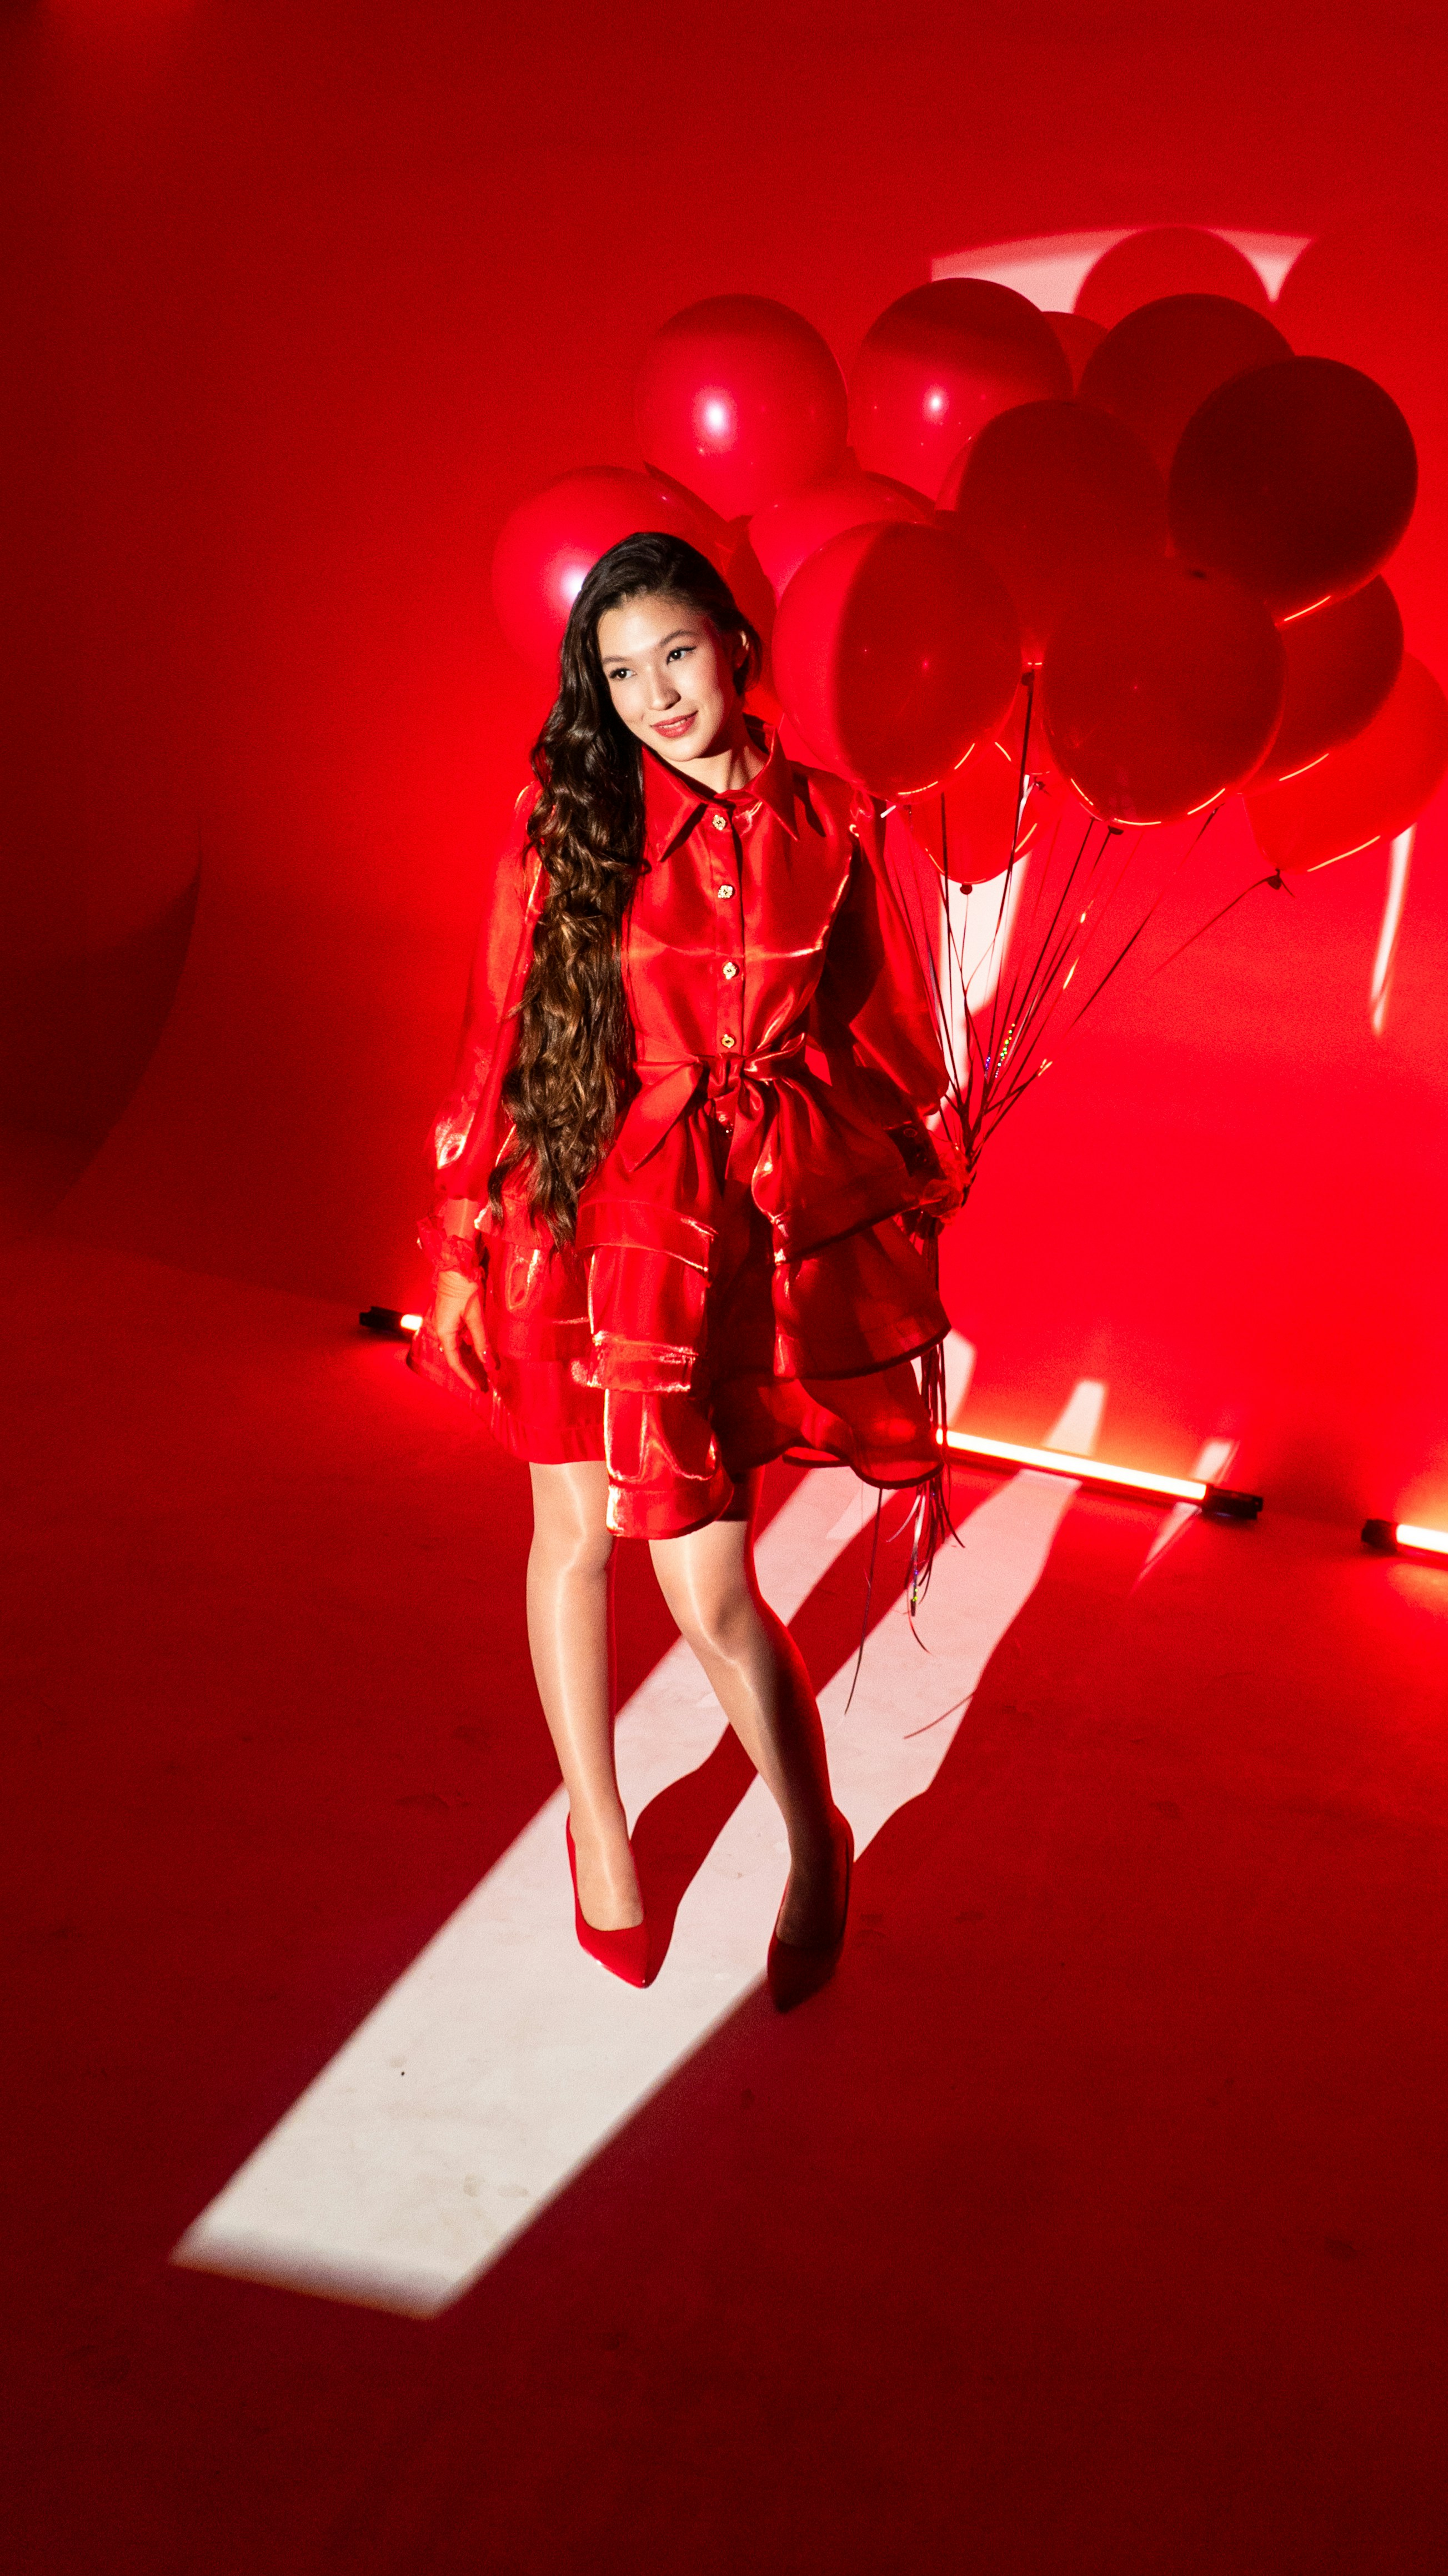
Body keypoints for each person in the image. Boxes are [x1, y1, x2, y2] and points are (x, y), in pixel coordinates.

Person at [413, 532, 960, 2007]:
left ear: (737, 645)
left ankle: (815, 1837)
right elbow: (501, 1031)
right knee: (571, 1539)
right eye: (618, 668)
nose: (653, 692)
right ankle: (599, 1832)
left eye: (675, 653)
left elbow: (876, 1024)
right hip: (570, 1206)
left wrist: (920, 1152)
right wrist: (460, 1233)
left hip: (716, 1231)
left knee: (709, 1588)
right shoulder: (570, 820)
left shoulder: (835, 825)